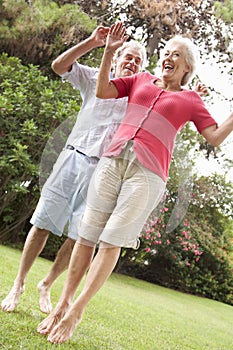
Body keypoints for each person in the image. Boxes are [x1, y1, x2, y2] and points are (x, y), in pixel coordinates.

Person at [37, 22, 233, 344]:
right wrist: (109, 53)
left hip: (147, 174)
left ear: (187, 67)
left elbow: (213, 138)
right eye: (166, 52)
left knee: (111, 241)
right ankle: (62, 304)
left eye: (177, 55)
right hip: (113, 161)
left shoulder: (190, 100)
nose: (168, 56)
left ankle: (77, 311)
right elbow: (103, 90)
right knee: (86, 235)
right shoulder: (141, 79)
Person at [1, 25, 147, 314]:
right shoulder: (95, 77)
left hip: (103, 172)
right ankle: (18, 283)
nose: (131, 62)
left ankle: (47, 284)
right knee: (42, 222)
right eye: (127, 57)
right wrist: (93, 41)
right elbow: (58, 65)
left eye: (138, 61)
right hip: (73, 158)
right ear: (116, 57)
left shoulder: (138, 96)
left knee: (81, 235)